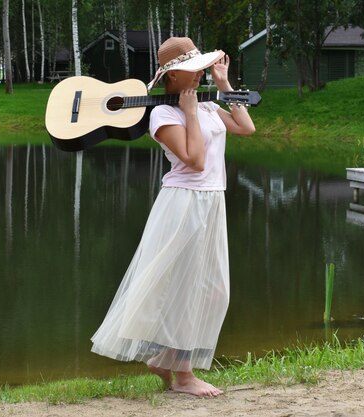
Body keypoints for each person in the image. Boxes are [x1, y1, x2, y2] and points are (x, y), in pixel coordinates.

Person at [90, 36, 255, 397]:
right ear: (171, 76)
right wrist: (191, 112)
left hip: (211, 201)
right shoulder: (163, 115)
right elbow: (194, 161)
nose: (198, 74)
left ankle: (165, 359)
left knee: (213, 292)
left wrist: (224, 84)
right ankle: (183, 376)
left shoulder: (208, 105)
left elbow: (245, 127)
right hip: (183, 204)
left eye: (200, 68)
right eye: (190, 70)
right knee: (188, 290)